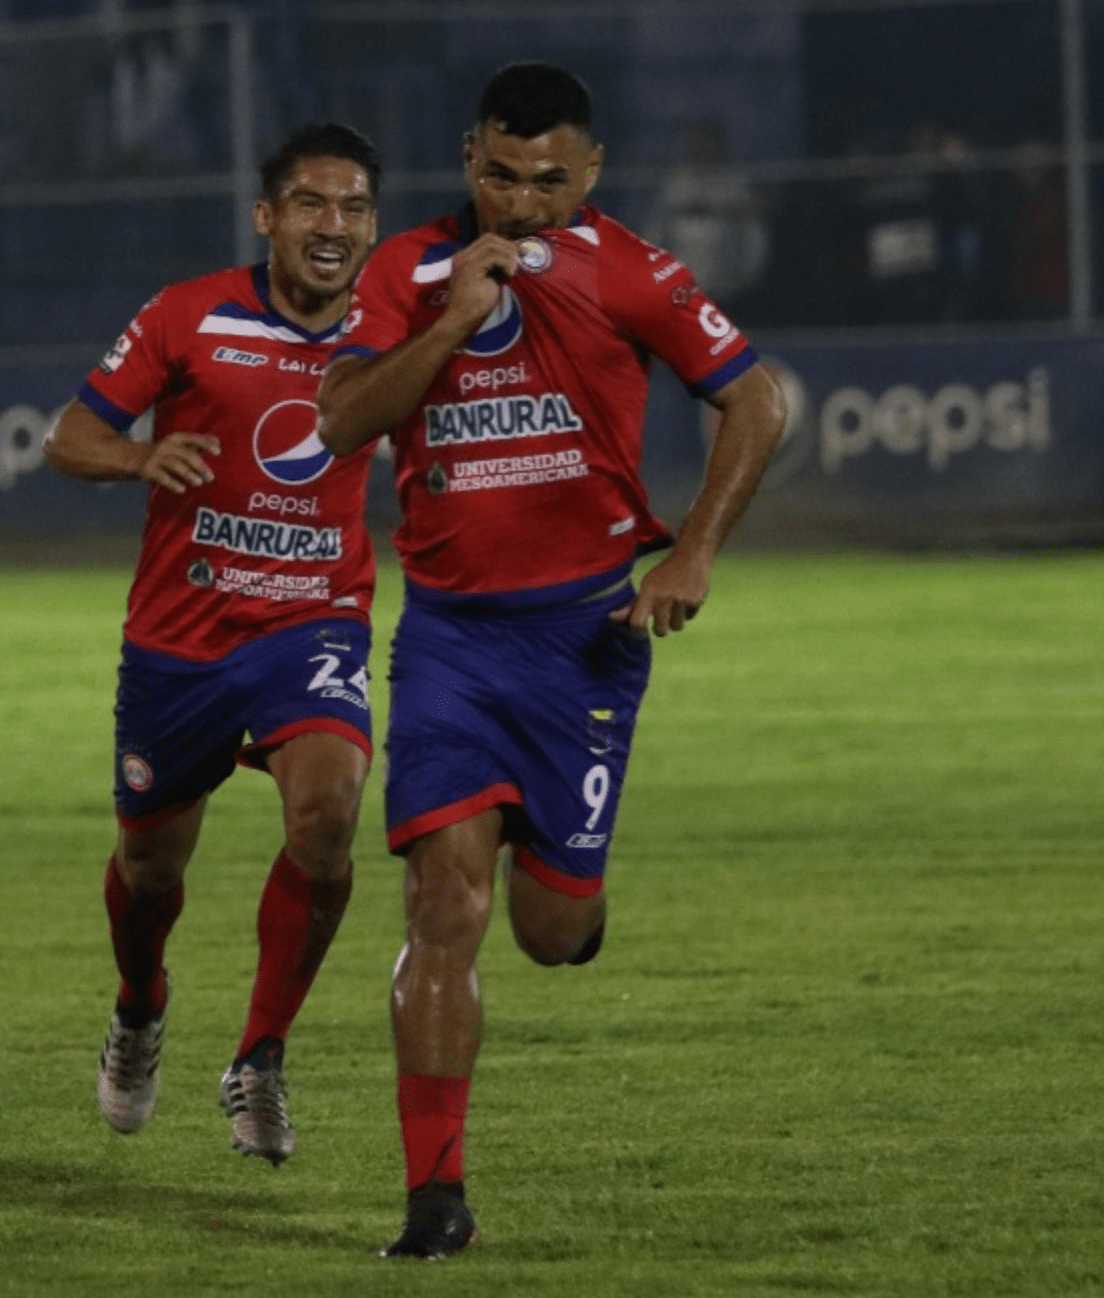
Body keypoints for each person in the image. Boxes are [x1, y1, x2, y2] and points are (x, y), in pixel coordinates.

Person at [315, 62, 786, 1258]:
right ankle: (436, 1200)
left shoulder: (627, 265)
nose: (524, 205)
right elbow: (343, 417)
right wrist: (451, 321)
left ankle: (571, 889)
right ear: (470, 159)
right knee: (443, 904)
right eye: (503, 177)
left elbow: (759, 401)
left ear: (590, 173)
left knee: (549, 932)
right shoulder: (408, 271)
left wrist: (694, 553)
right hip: (450, 643)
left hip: (585, 643)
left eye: (550, 183)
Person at [41, 122, 383, 1167]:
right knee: (149, 870)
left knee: (327, 817)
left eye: (356, 207)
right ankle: (140, 1005)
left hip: (312, 620)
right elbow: (68, 434)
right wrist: (141, 457)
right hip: (181, 636)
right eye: (314, 205)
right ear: (268, 218)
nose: (336, 226)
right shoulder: (189, 313)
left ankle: (261, 1057)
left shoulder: (395, 327)